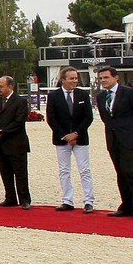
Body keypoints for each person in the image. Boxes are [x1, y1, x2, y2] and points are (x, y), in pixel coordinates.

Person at [96, 64, 133, 218]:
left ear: (115, 77)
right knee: (120, 173)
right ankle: (127, 206)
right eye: (100, 78)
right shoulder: (101, 97)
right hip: (113, 141)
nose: (103, 80)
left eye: (106, 77)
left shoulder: (129, 93)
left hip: (130, 139)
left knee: (130, 171)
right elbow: (105, 118)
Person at [46, 67, 95, 213]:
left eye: (75, 78)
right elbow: (52, 119)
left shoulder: (83, 95)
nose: (74, 81)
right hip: (62, 139)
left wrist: (76, 133)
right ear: (63, 79)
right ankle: (67, 200)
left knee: (84, 170)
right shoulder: (53, 96)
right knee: (64, 170)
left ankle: (88, 201)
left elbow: (88, 117)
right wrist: (65, 135)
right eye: (71, 78)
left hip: (80, 138)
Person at [0, 76, 32, 209]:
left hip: (16, 143)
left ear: (10, 87)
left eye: (1, 86)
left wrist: (2, 132)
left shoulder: (21, 101)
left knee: (20, 173)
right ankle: (10, 198)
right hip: (0, 145)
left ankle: (24, 199)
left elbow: (18, 122)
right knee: (5, 173)